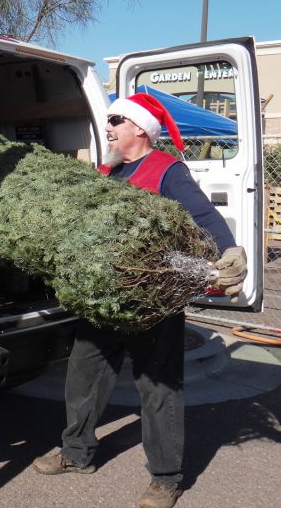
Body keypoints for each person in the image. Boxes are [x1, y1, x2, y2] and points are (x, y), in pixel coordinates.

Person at [32, 93, 248, 508]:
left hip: (152, 301)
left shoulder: (167, 170)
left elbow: (203, 215)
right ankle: (77, 453)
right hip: (103, 298)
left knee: (158, 386)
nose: (108, 128)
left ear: (140, 129)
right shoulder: (107, 172)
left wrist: (230, 248)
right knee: (84, 374)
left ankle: (165, 479)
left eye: (116, 120)